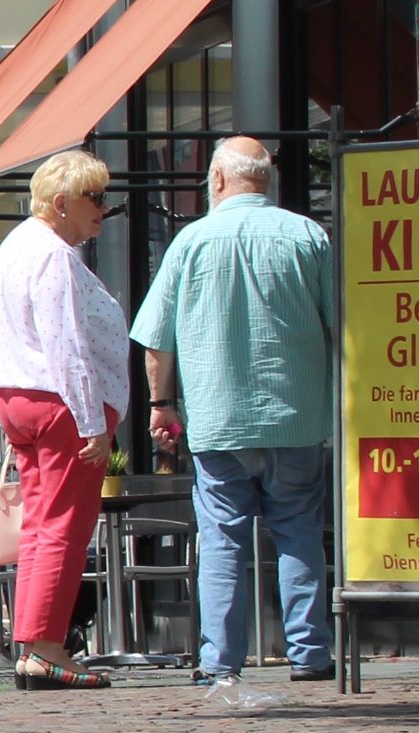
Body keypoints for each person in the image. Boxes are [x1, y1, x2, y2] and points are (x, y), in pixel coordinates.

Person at [136, 135, 340, 702]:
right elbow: (339, 323)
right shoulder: (307, 235)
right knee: (300, 532)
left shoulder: (190, 242)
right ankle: (310, 654)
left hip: (218, 421)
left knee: (222, 540)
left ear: (219, 181)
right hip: (296, 417)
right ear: (266, 180)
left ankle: (220, 662)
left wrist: (161, 404)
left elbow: (156, 341)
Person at [0, 147, 131, 692]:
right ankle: (45, 647)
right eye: (95, 198)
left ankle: (34, 645)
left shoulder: (15, 247)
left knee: (43, 524)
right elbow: (65, 340)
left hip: (21, 397)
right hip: (57, 402)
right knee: (64, 527)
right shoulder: (52, 255)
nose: (104, 209)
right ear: (62, 202)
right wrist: (92, 419)